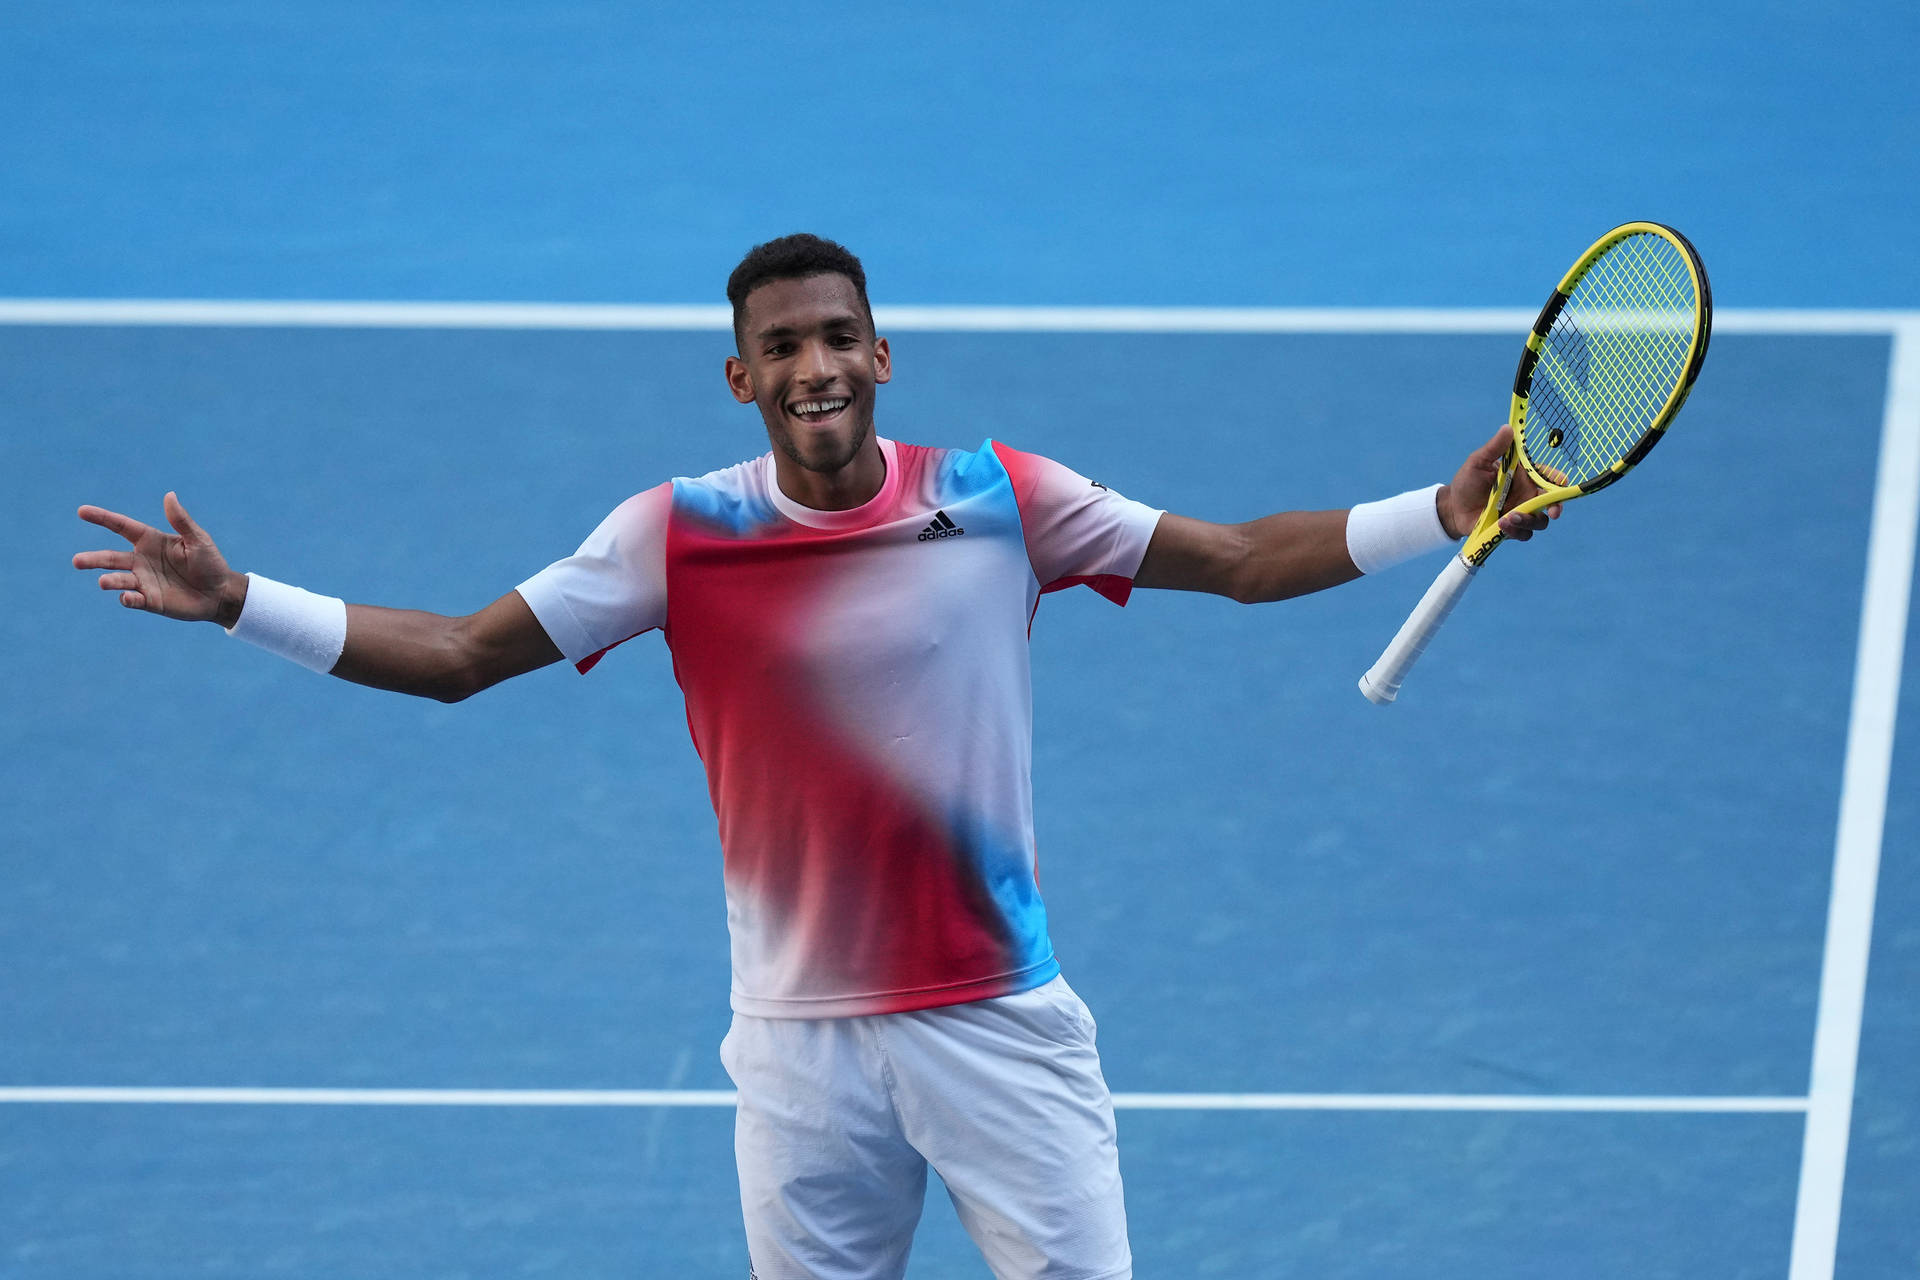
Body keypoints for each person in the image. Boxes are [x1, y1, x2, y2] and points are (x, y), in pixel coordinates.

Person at [73, 233, 1556, 1280]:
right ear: (741, 379)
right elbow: (462, 656)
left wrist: (1438, 507)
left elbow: (1237, 559)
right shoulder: (677, 535)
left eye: (839, 336)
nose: (816, 366)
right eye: (781, 346)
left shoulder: (999, 502)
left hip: (996, 1023)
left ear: (883, 353)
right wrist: (238, 605)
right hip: (796, 1047)